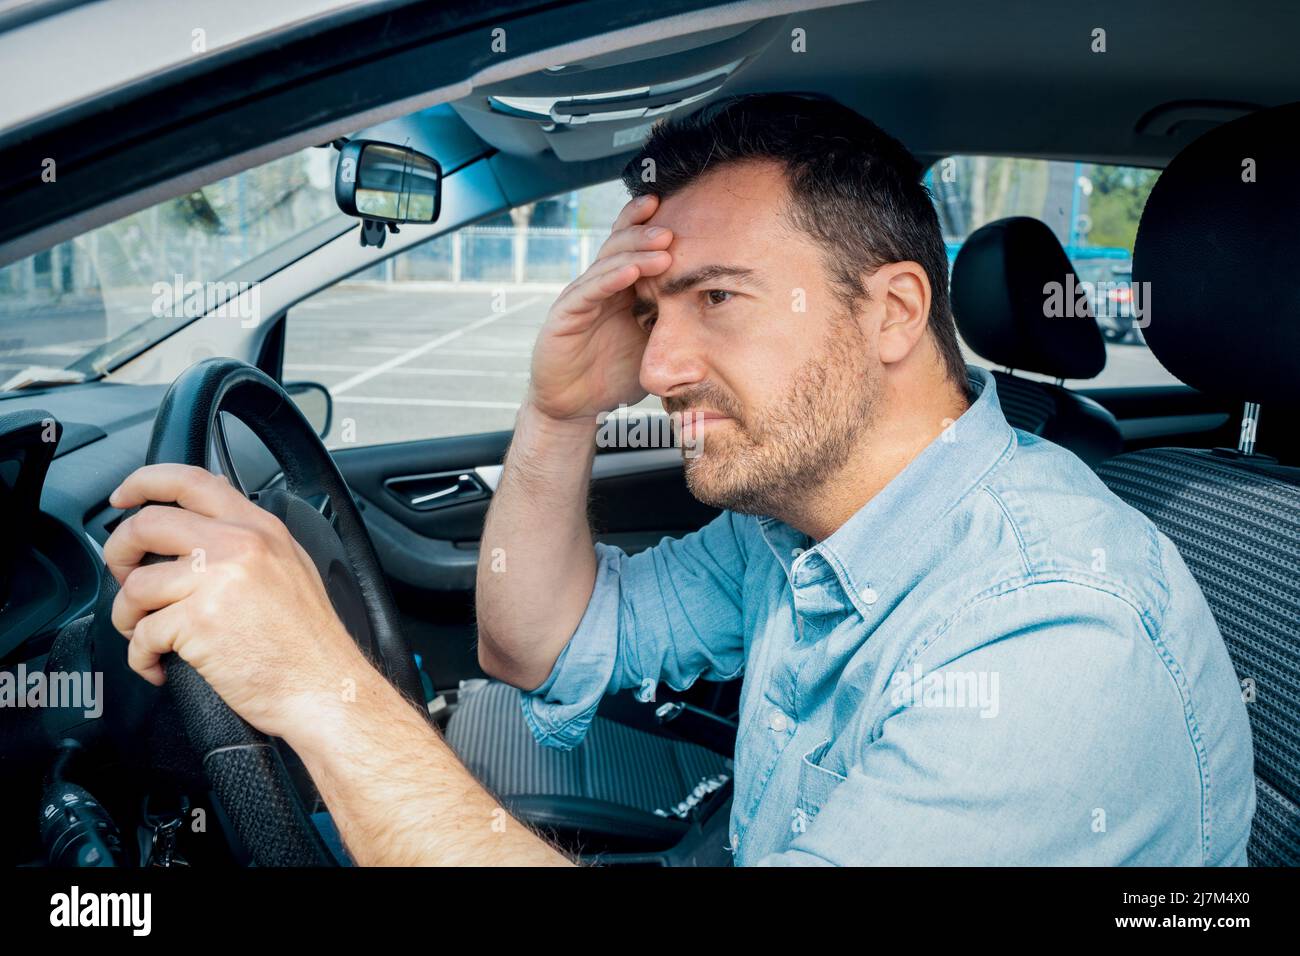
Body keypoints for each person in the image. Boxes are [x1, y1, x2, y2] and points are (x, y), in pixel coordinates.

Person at [106, 94, 1254, 865]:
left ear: (896, 310)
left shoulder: (1051, 643)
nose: (656, 365)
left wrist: (323, 689)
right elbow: (535, 645)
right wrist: (560, 408)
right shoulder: (804, 525)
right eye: (654, 312)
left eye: (717, 298)